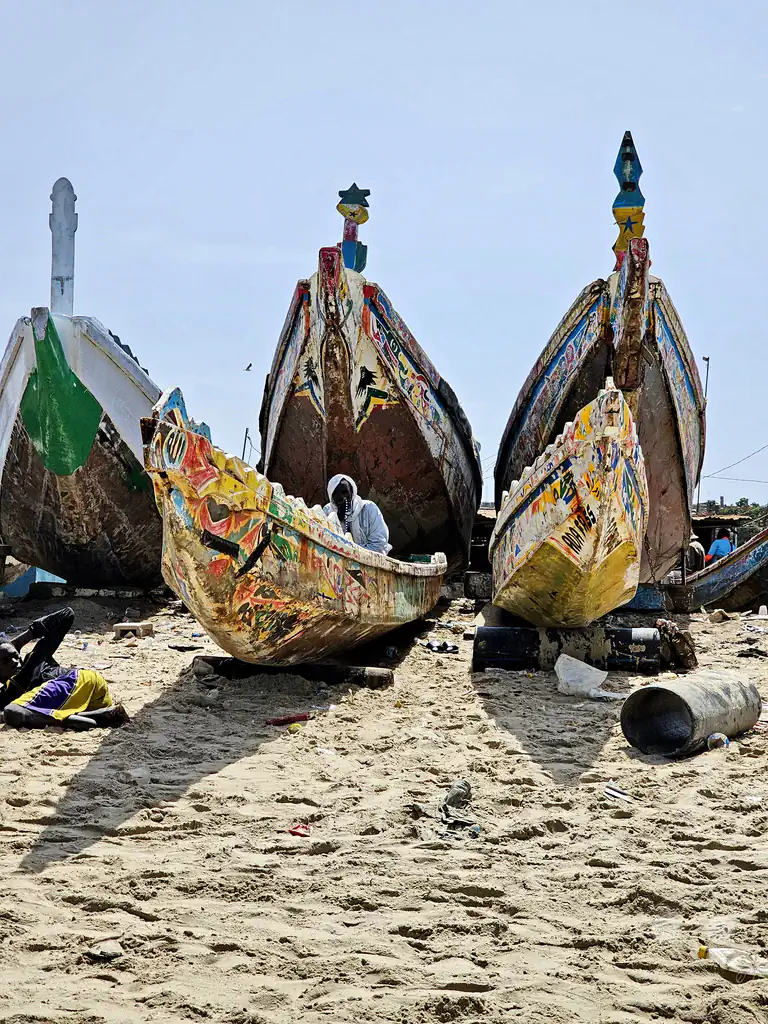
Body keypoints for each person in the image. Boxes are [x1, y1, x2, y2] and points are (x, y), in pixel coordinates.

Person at [0, 607, 128, 730]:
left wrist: (17, 642)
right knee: (15, 711)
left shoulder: (35, 658)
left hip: (75, 680)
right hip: (91, 700)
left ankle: (89, 720)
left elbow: (66, 615)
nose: (14, 662)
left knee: (12, 712)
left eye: (15, 655)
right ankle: (99, 715)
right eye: (5, 661)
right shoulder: (6, 693)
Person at [323, 473, 391, 554]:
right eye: (336, 494)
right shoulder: (328, 512)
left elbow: (379, 544)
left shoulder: (369, 508)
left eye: (345, 492)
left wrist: (351, 552)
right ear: (332, 497)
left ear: (352, 492)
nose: (342, 497)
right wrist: (339, 519)